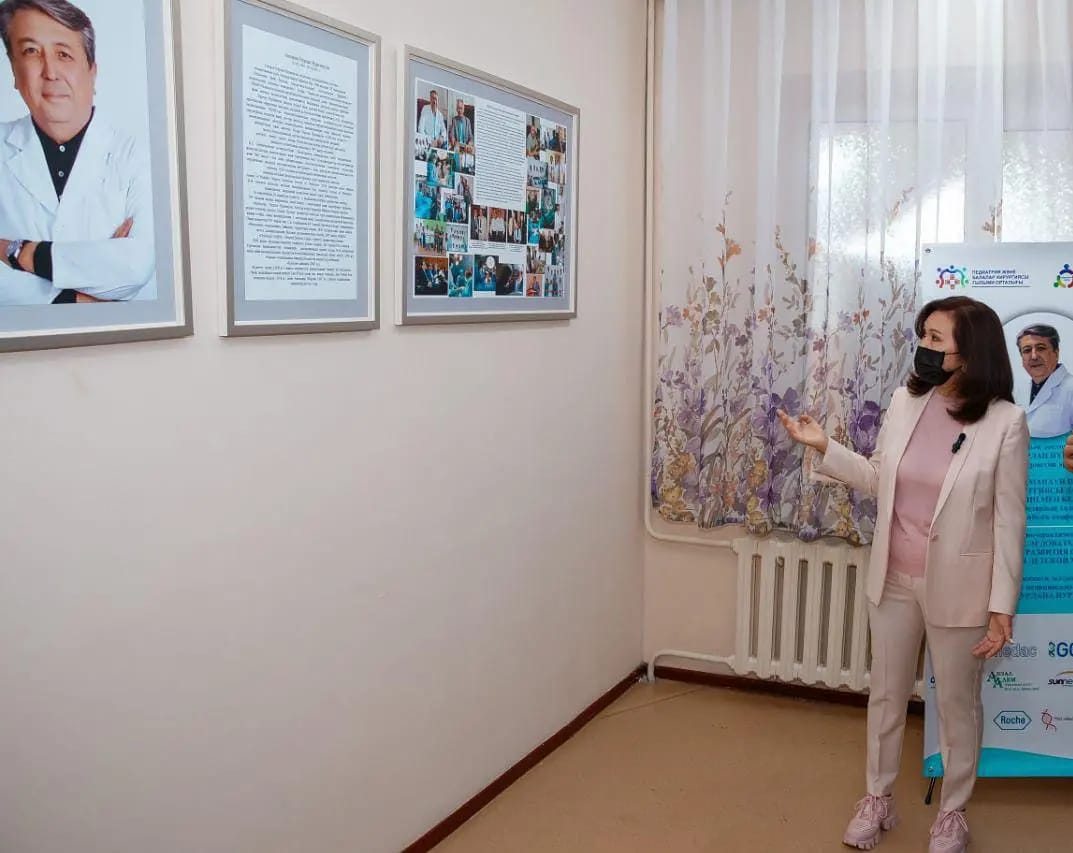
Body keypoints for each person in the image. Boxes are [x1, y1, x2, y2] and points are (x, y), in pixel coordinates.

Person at [778, 296, 1028, 853]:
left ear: (971, 352)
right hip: (893, 577)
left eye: (937, 339)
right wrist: (825, 447)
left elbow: (1010, 520)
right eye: (924, 336)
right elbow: (878, 478)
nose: (924, 348)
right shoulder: (906, 401)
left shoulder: (1006, 423)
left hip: (961, 589)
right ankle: (878, 798)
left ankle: (953, 812)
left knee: (958, 707)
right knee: (886, 696)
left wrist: (1001, 605)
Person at [0, 0, 154, 305]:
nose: (50, 72)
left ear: (92, 72)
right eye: (31, 51)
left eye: (64, 54)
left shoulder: (138, 156)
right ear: (14, 71)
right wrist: (82, 297)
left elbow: (137, 265)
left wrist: (15, 252)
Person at [1015, 324, 1073, 439]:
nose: (1034, 356)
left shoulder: (1070, 388)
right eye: (1027, 350)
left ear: (1056, 353)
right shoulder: (1018, 391)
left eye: (1041, 348)